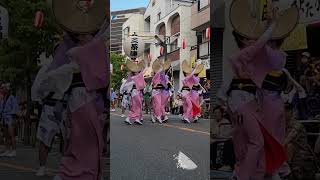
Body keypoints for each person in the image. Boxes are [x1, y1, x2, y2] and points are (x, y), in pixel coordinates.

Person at [31, 63, 67, 176]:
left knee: (67, 139)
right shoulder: (47, 68)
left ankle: (65, 168)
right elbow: (37, 87)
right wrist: (39, 101)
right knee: (45, 138)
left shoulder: (73, 66)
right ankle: (42, 166)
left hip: (67, 106)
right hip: (50, 105)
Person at [284, 103, 319, 180]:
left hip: (302, 157)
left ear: (291, 111)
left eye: (287, 110)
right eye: (283, 110)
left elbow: (288, 139)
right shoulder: (282, 125)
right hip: (290, 156)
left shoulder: (297, 124)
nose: (284, 112)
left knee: (290, 145)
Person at [210, 106, 235, 171]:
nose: (216, 114)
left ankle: (227, 165)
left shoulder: (226, 122)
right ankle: (213, 163)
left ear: (222, 114)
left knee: (226, 144)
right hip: (215, 139)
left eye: (218, 113)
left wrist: (216, 137)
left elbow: (227, 136)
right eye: (215, 113)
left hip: (225, 140)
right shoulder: (212, 122)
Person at [124, 59, 148, 125]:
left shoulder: (132, 77)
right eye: (138, 71)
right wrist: (148, 62)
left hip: (134, 93)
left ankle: (133, 119)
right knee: (139, 105)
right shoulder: (137, 76)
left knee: (135, 106)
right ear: (135, 72)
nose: (139, 71)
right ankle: (133, 118)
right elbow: (145, 70)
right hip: (136, 92)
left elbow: (125, 85)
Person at [0, 83, 19, 157]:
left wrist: (13, 118)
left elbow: (14, 108)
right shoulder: (3, 99)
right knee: (6, 135)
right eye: (2, 88)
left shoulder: (12, 98)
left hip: (10, 117)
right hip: (4, 118)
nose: (2, 89)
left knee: (12, 135)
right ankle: (7, 150)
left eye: (3, 88)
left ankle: (14, 150)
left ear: (7, 90)